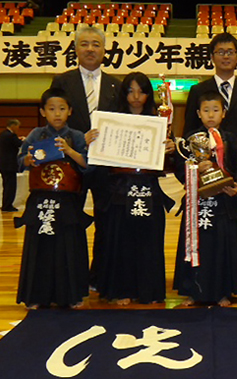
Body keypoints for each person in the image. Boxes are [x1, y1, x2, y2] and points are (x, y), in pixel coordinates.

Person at [86, 72, 176, 305]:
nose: (136, 96)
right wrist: (93, 142)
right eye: (131, 90)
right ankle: (120, 289)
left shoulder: (160, 121)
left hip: (149, 190)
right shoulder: (111, 122)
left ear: (148, 94)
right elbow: (99, 162)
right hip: (119, 190)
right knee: (122, 242)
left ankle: (149, 290)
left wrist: (170, 150)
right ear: (124, 93)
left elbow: (170, 166)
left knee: (148, 241)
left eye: (142, 91)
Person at [50, 26, 121, 290]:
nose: (90, 49)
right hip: (72, 164)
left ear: (104, 50)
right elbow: (53, 124)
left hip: (106, 166)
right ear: (76, 49)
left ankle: (99, 277)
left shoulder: (117, 85)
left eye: (96, 44)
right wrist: (80, 140)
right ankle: (73, 276)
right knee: (70, 220)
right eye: (84, 44)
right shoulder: (62, 82)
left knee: (107, 221)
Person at [183, 32, 237, 266]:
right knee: (205, 224)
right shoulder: (199, 91)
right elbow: (189, 130)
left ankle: (233, 277)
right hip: (206, 175)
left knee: (236, 226)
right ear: (212, 57)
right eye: (220, 52)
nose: (226, 56)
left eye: (230, 52)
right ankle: (205, 273)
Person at [15, 88, 91, 309]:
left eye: (62, 109)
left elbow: (88, 164)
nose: (57, 113)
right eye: (51, 109)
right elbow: (20, 160)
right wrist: (28, 159)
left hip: (68, 199)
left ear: (70, 111)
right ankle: (37, 295)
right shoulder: (36, 134)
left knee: (68, 246)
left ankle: (71, 295)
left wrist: (69, 150)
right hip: (41, 198)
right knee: (41, 246)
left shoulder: (76, 136)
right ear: (43, 111)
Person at [174, 91, 237, 307]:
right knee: (196, 244)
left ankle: (223, 291)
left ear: (223, 113)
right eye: (206, 110)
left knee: (222, 246)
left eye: (215, 110)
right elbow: (180, 168)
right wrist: (196, 169)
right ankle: (192, 291)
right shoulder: (190, 139)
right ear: (198, 113)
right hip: (198, 201)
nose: (211, 115)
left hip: (225, 200)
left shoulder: (231, 138)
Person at [0, 119, 23, 212]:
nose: (18, 129)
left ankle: (6, 205)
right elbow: (20, 144)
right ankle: (8, 206)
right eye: (17, 127)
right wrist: (24, 140)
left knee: (6, 186)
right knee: (10, 187)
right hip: (9, 165)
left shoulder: (2, 134)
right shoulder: (11, 135)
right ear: (13, 126)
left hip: (2, 164)